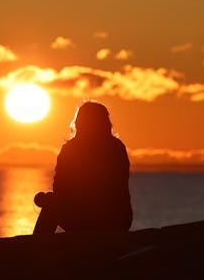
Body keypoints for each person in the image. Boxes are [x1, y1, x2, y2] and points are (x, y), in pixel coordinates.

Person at [33, 100, 132, 234]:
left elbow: (60, 188)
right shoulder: (117, 147)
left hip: (86, 220)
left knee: (52, 201)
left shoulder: (70, 150)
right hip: (119, 220)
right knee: (53, 200)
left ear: (79, 123)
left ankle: (36, 247)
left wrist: (47, 199)